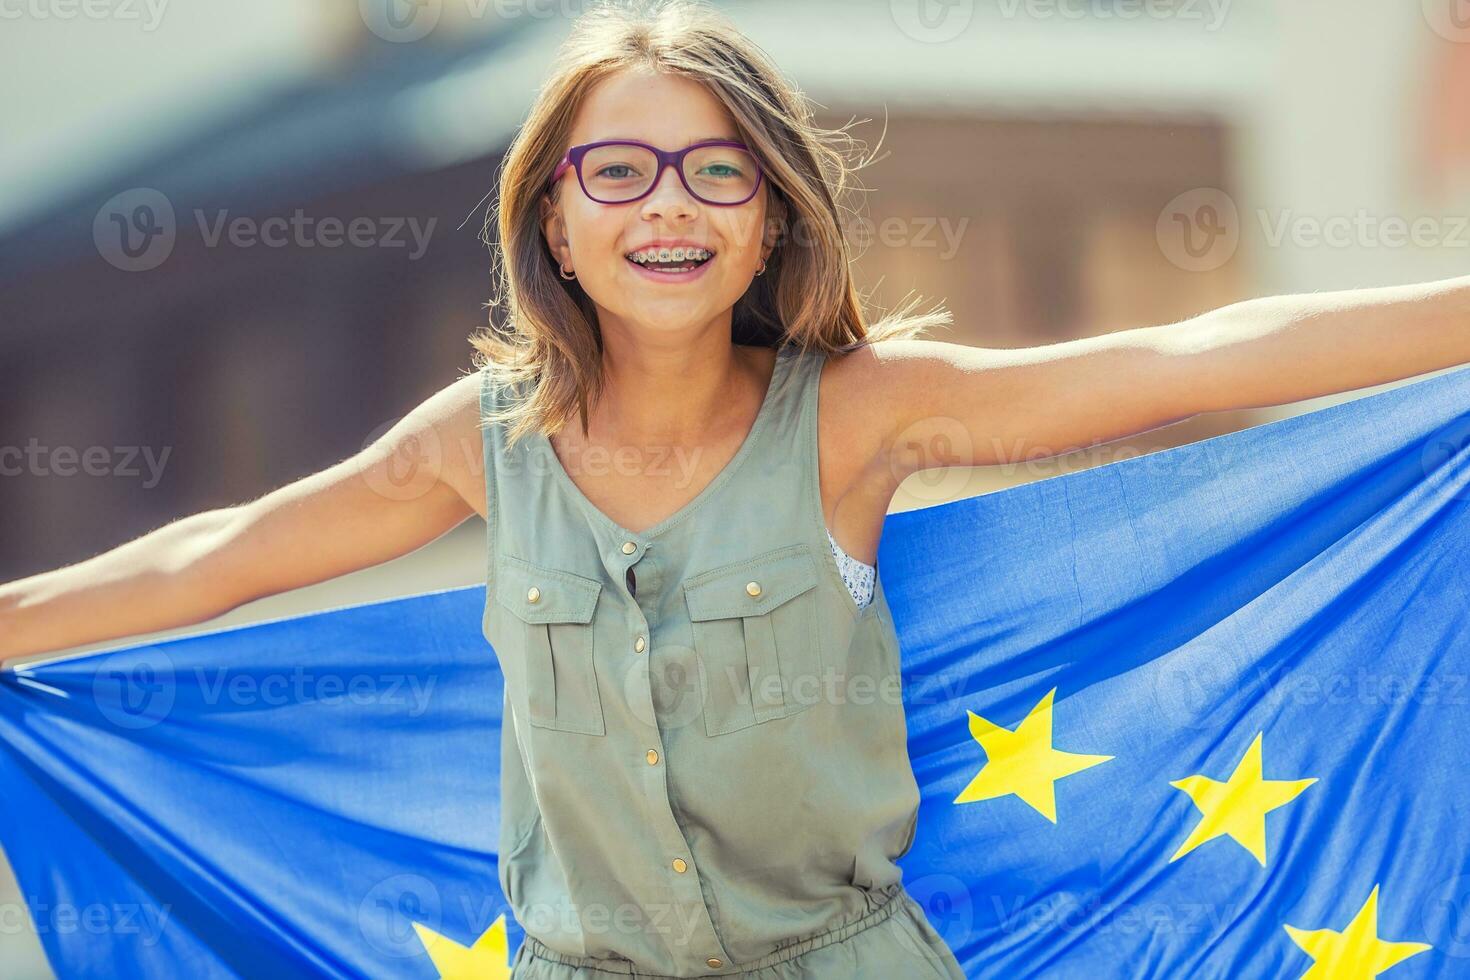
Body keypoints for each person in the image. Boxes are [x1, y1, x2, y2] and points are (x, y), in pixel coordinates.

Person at [4, 0, 1470, 976]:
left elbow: (1190, 351)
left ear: (769, 221)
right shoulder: (479, 442)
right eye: (619, 170)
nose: (667, 205)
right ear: (553, 223)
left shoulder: (858, 417)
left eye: (716, 174)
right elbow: (212, 557)